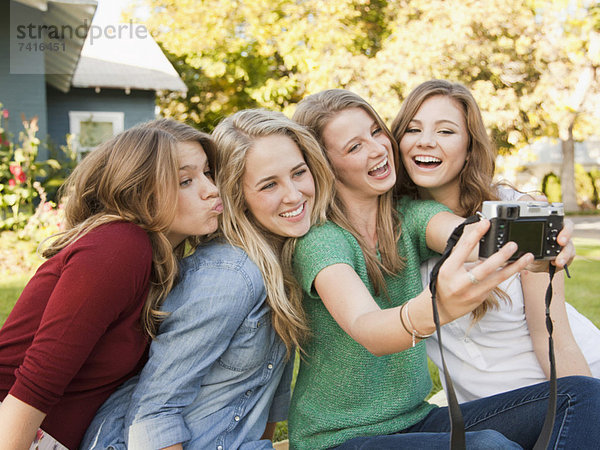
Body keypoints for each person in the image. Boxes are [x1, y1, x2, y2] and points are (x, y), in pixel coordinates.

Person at [288, 88, 600, 450]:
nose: (376, 149)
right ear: (324, 164)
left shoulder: (407, 216)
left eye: (376, 132)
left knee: (582, 395)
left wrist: (542, 237)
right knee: (489, 447)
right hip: (340, 440)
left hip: (415, 419)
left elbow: (471, 235)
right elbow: (369, 329)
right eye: (354, 147)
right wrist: (437, 307)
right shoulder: (321, 241)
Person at [81, 109, 334, 449]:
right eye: (269, 184)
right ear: (236, 196)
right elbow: (153, 414)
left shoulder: (282, 261)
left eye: (298, 173)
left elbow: (263, 409)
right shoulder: (229, 276)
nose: (293, 195)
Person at [0, 118, 222, 450]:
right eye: (186, 181)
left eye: (207, 173)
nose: (211, 189)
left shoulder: (160, 264)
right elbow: (36, 381)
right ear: (139, 193)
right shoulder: (119, 247)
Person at [390, 79, 600, 403]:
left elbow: (554, 339)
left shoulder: (517, 209)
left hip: (568, 387)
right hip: (493, 415)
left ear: (470, 146)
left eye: (446, 131)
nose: (426, 142)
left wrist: (587, 410)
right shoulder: (392, 226)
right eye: (413, 129)